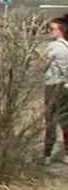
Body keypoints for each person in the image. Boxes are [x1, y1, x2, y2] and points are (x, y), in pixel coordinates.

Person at [39, 16, 68, 165]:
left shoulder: (54, 47)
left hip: (52, 85)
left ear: (60, 31)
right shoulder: (66, 46)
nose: (49, 32)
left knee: (50, 120)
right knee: (65, 120)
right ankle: (66, 154)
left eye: (52, 29)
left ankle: (47, 155)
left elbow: (42, 66)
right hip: (65, 86)